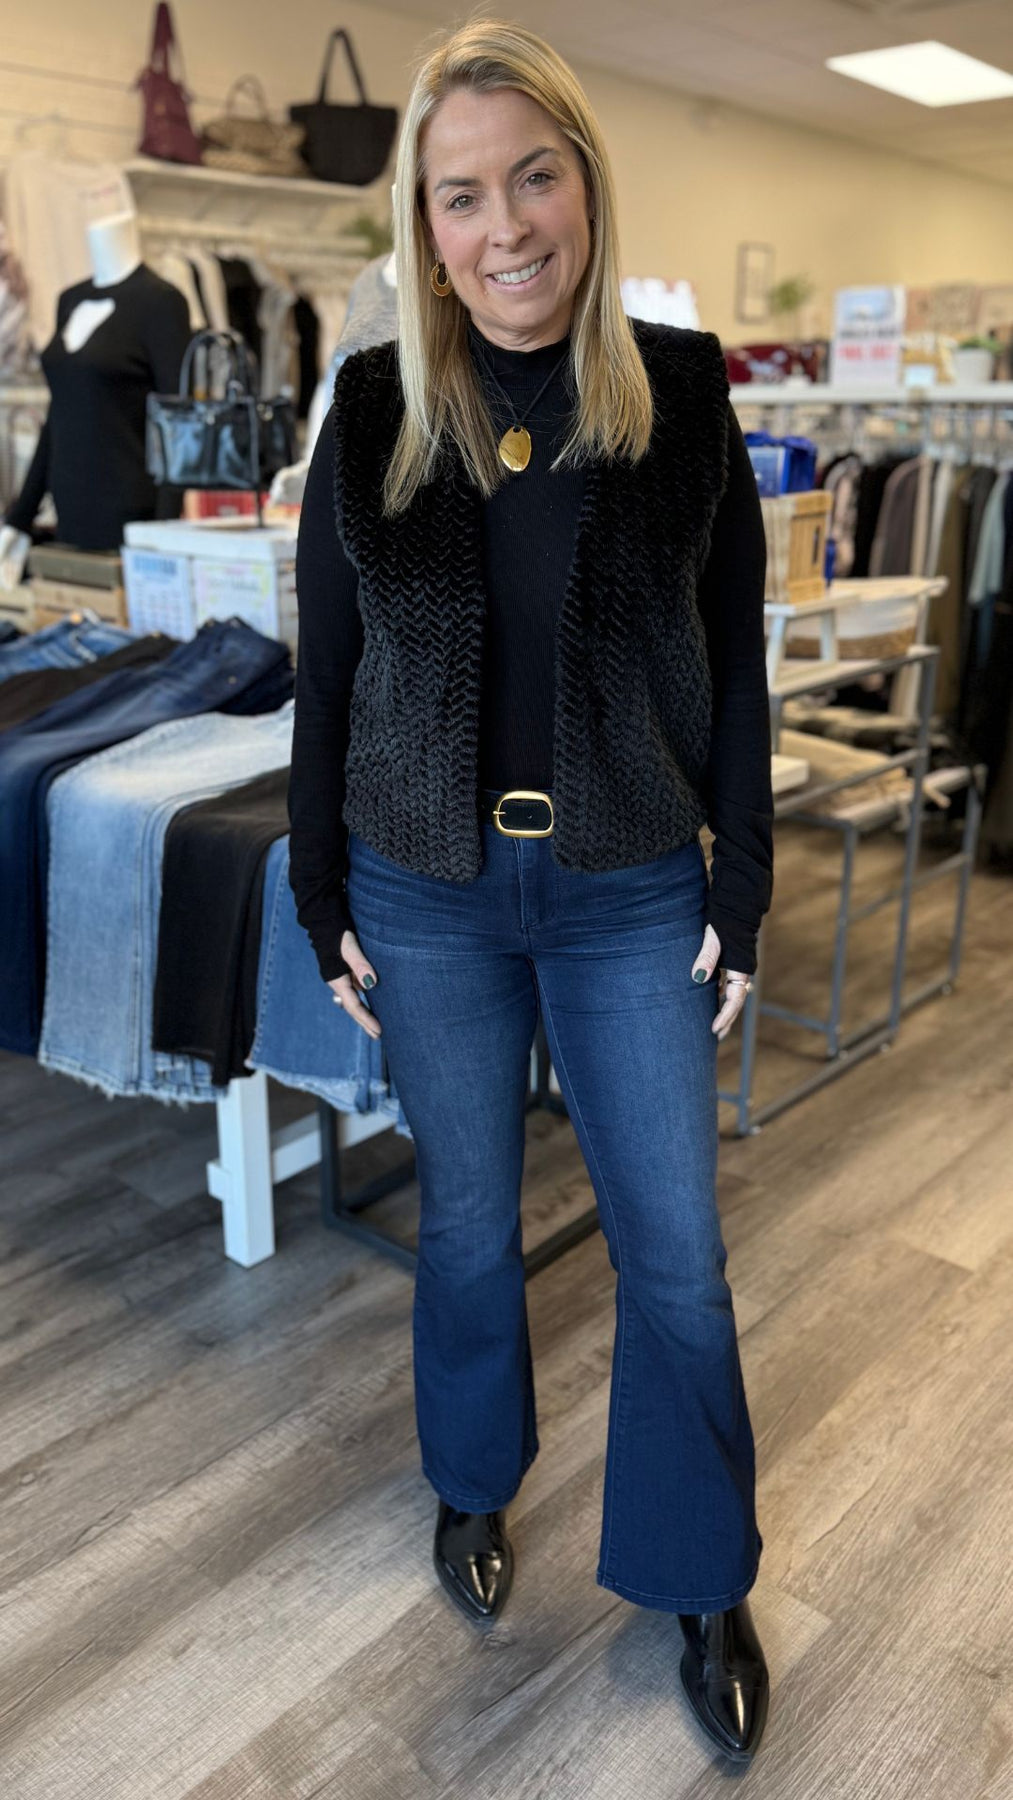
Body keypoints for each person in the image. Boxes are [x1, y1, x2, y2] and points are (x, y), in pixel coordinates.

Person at [289, 17, 774, 1764]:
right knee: (467, 1231)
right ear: (425, 228)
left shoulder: (684, 393)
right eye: (461, 195)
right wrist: (319, 889)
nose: (505, 227)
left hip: (629, 883)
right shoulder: (369, 408)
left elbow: (734, 667)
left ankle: (700, 1578)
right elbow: (326, 674)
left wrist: (743, 882)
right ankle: (471, 1481)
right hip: (423, 892)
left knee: (676, 1256)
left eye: (534, 178)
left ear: (584, 183)